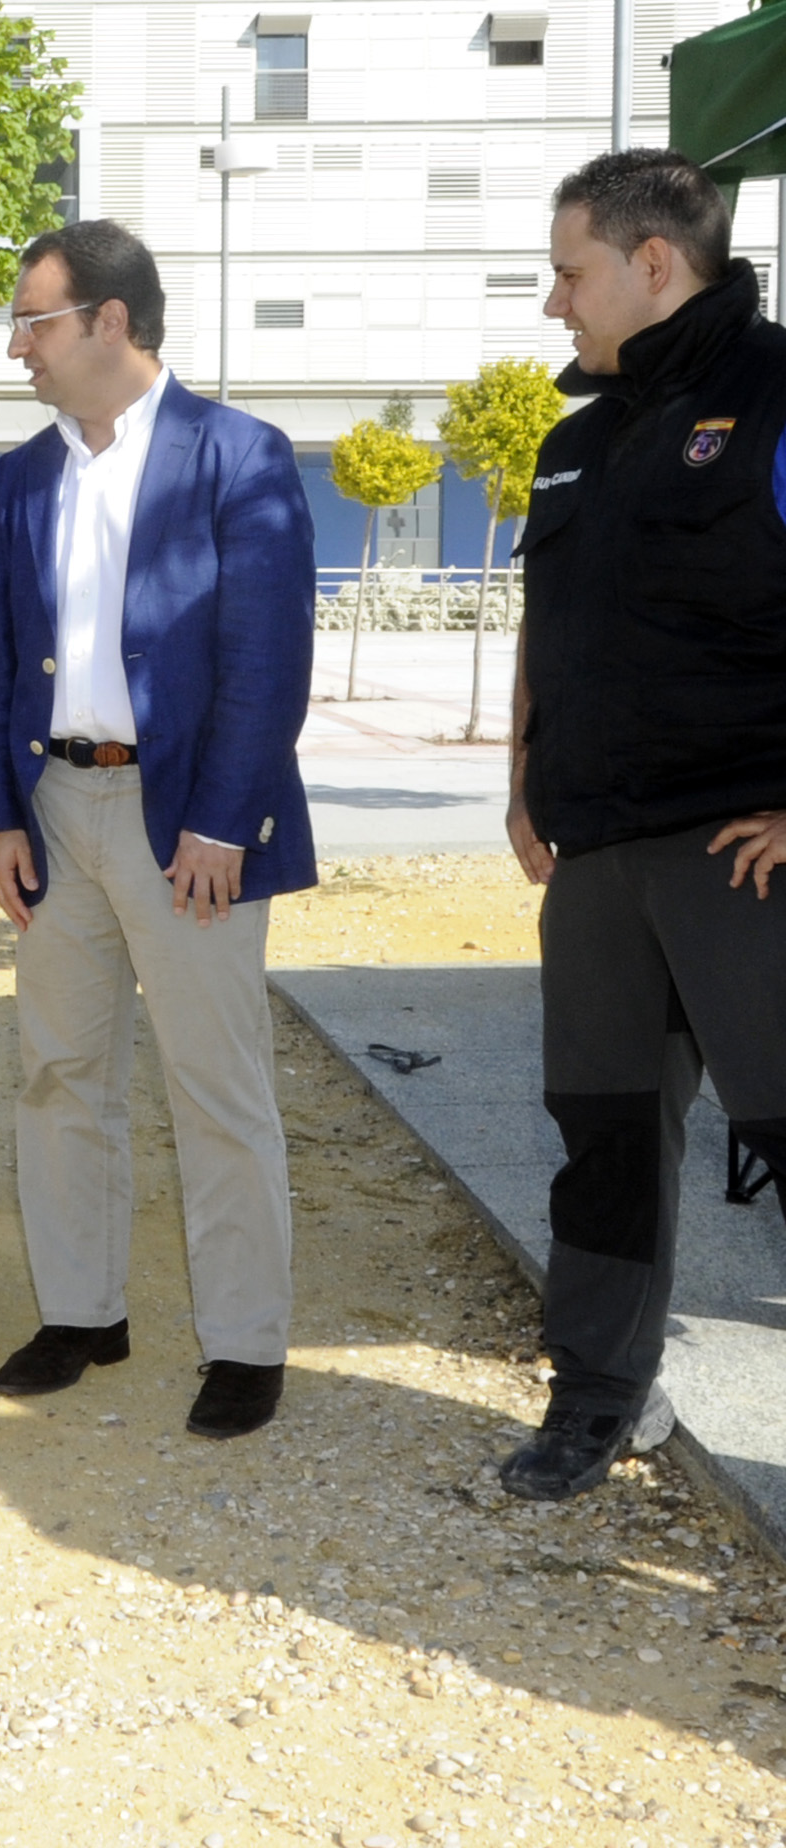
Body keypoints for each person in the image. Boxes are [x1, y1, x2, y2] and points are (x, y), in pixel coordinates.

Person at [0, 221, 317, 1441]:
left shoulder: (239, 455)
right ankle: (81, 1314)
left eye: (34, 321)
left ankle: (245, 1343)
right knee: (60, 1074)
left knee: (214, 1087)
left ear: (109, 321)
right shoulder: (20, 478)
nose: (18, 347)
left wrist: (224, 823)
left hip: (190, 826)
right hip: (55, 813)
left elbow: (268, 661)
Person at [497, 149, 786, 1500]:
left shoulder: (775, 394)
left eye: (570, 272)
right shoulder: (575, 441)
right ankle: (598, 1399)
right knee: (603, 1141)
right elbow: (549, 624)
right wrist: (522, 774)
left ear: (653, 262)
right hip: (598, 857)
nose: (555, 301)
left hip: (742, 853)